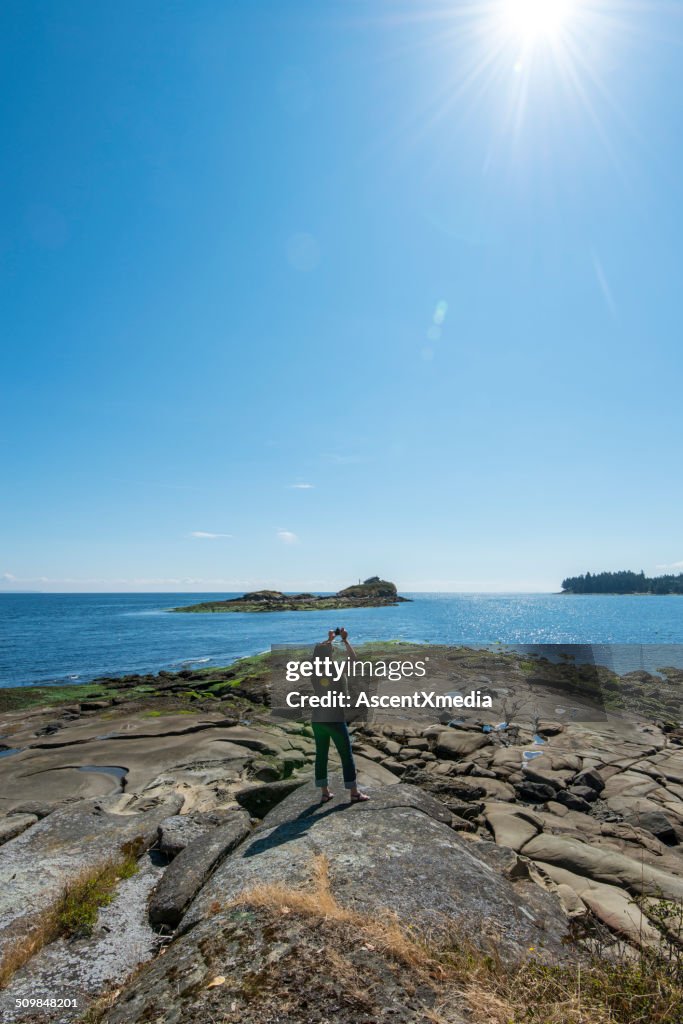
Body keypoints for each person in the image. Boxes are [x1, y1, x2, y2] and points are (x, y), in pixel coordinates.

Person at [310, 627, 369, 804]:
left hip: (317, 718)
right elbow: (353, 659)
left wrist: (329, 640)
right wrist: (344, 640)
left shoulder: (314, 669)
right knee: (346, 755)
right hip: (334, 718)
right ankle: (354, 793)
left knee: (321, 755)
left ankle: (325, 793)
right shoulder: (335, 669)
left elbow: (319, 653)